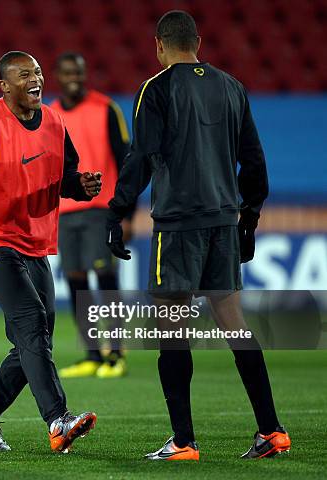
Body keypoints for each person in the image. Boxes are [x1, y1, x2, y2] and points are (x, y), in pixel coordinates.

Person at [106, 10, 290, 461]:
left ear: (159, 45)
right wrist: (249, 218)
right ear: (198, 42)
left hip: (179, 224)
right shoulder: (232, 86)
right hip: (225, 222)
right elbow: (254, 160)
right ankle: (272, 431)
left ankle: (184, 442)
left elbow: (142, 156)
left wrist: (117, 212)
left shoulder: (158, 87)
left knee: (172, 330)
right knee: (235, 325)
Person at [0, 51, 99, 453]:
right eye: (24, 74)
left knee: (34, 338)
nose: (35, 79)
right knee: (30, 322)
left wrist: (83, 186)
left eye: (38, 72)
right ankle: (58, 420)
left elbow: (66, 178)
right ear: (5, 86)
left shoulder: (56, 123)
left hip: (33, 241)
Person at [51, 52, 132, 379]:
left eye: (80, 72)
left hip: (102, 209)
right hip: (65, 211)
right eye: (69, 72)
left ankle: (115, 353)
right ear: (57, 75)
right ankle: (91, 353)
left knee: (106, 278)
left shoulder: (107, 108)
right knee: (75, 280)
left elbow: (126, 161)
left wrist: (127, 212)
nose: (75, 78)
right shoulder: (50, 114)